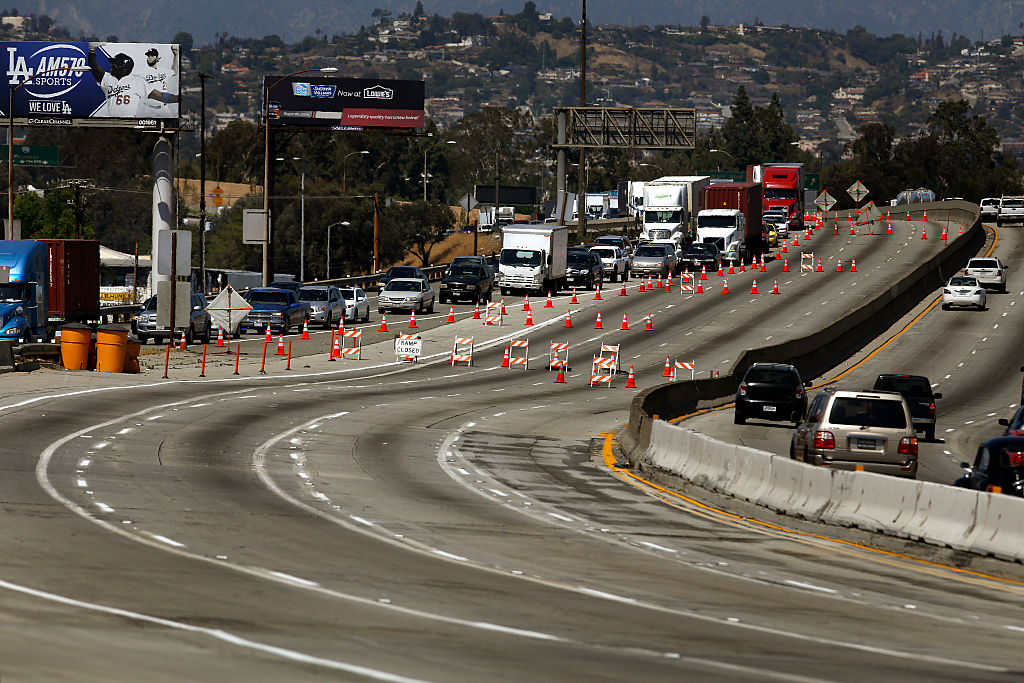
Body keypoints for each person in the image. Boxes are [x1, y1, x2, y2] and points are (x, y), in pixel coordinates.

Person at [88, 45, 179, 117]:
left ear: (122, 67)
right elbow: (94, 66)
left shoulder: (136, 81)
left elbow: (161, 96)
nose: (111, 65)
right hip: (114, 120)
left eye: (114, 64)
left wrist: (179, 98)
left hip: (130, 120)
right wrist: (92, 51)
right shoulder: (108, 79)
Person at [139, 45, 178, 114]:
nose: (149, 57)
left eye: (152, 55)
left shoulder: (163, 71)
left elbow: (174, 71)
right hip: (148, 108)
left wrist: (175, 55)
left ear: (157, 58)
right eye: (148, 55)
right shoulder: (141, 72)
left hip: (163, 108)